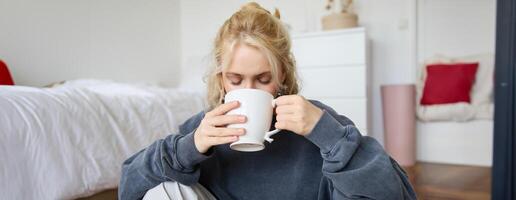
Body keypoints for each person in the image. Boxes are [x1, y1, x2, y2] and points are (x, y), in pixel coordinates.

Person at [119, 2, 416, 200]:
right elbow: (128, 188)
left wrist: (329, 134)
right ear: (221, 77)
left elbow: (395, 193)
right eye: (236, 80)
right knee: (166, 190)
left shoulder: (317, 123)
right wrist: (188, 148)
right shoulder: (203, 129)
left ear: (282, 75)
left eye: (263, 79)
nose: (250, 90)